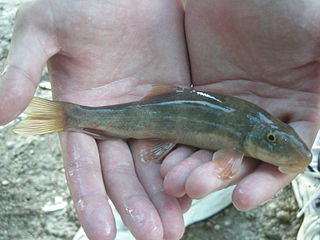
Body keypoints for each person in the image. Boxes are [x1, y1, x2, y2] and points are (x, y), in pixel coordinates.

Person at [0, 0, 319, 239]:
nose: (275, 141)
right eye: (273, 140)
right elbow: (227, 160)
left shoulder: (256, 124)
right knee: (189, 179)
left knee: (196, 178)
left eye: (275, 138)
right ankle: (71, 117)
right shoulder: (243, 138)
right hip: (172, 113)